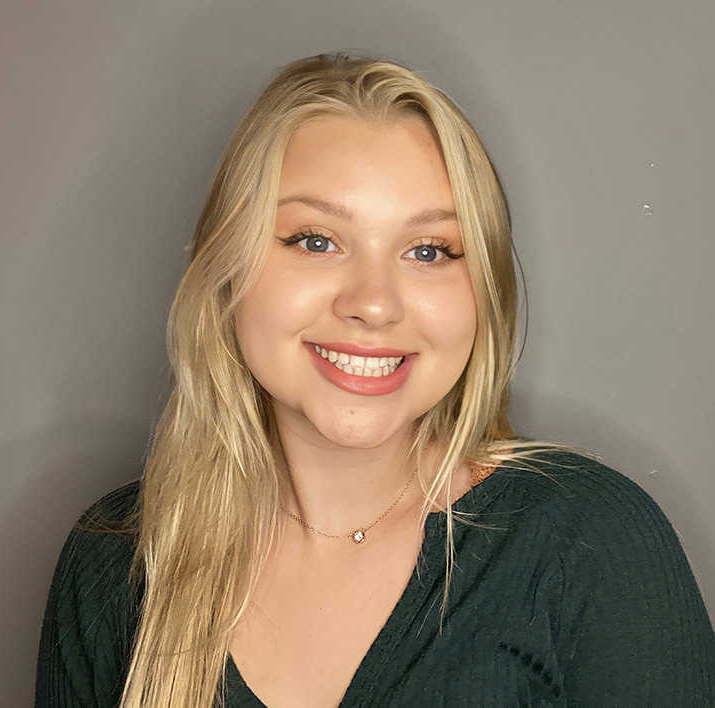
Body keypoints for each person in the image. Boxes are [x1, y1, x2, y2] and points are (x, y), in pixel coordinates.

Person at [35, 53, 715, 708]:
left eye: (428, 251)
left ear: (484, 295)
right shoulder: (112, 563)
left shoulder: (589, 543)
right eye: (317, 240)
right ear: (227, 269)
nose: (374, 302)